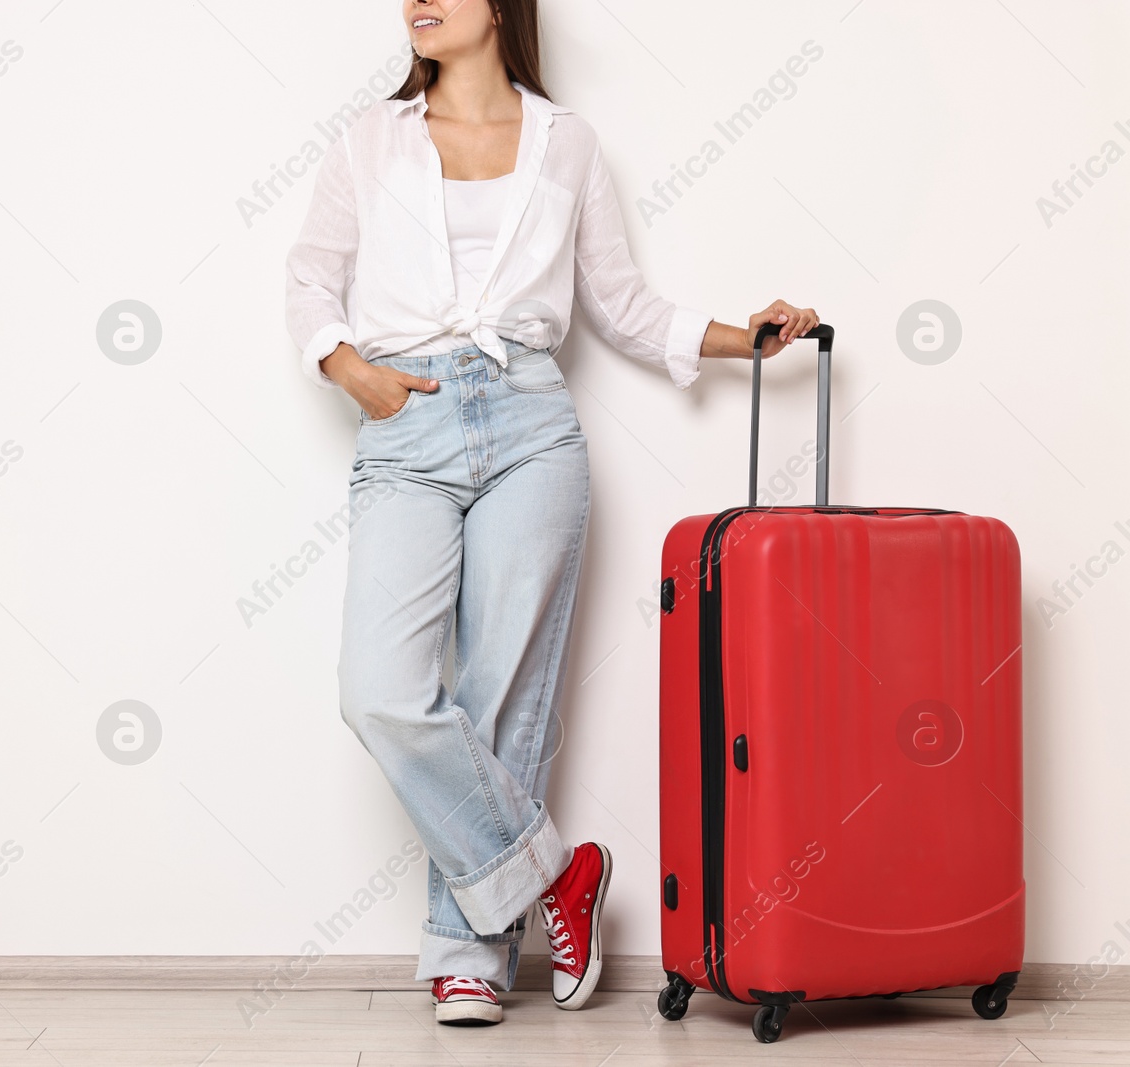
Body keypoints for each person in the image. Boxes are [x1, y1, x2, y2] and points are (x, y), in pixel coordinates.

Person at [284, 0, 818, 1027]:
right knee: (378, 690)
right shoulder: (369, 139)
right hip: (406, 426)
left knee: (502, 695)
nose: (416, 1)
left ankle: (468, 955)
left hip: (531, 424)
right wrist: (356, 375)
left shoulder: (567, 143)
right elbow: (310, 276)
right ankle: (554, 871)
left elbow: (620, 303)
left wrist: (737, 338)